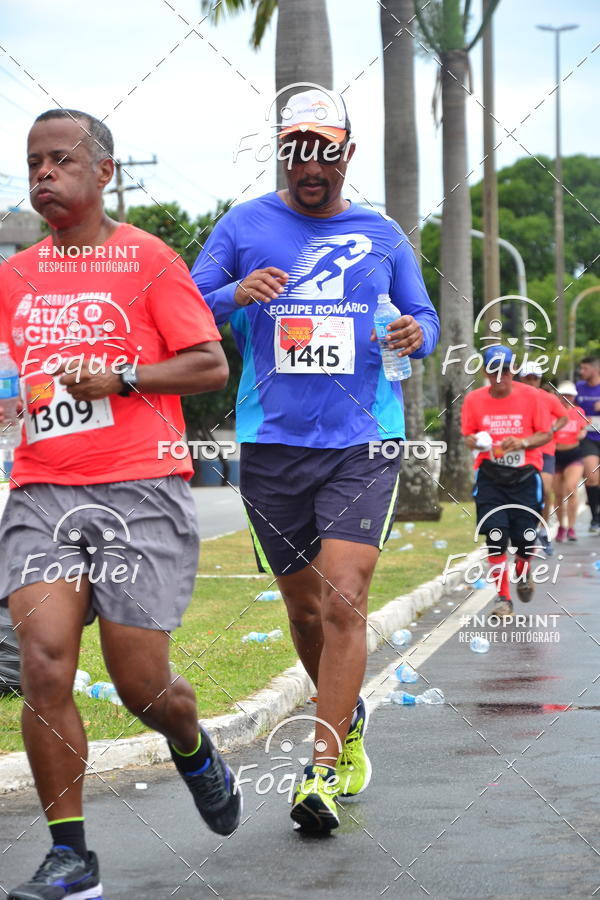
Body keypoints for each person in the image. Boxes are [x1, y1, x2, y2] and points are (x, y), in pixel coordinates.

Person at [0, 109, 240, 900]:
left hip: (140, 487)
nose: (43, 173)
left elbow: (208, 364)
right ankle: (72, 858)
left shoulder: (149, 261)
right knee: (44, 665)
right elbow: (11, 373)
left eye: (60, 159)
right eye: (33, 161)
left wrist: (124, 378)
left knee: (141, 686)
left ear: (104, 172)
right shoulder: (15, 276)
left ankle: (193, 745)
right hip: (42, 488)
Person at [191, 88, 440, 832]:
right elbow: (185, 306)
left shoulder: (383, 234)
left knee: (343, 597)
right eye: (299, 148)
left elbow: (422, 315)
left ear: (346, 156)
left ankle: (323, 771)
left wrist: (413, 337)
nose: (312, 164)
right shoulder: (243, 226)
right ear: (284, 153)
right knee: (303, 608)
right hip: (272, 445)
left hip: (364, 440)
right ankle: (350, 715)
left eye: (326, 150)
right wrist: (235, 291)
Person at [461, 346, 552, 620]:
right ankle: (503, 598)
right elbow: (467, 436)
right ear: (485, 372)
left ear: (513, 371)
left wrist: (522, 442)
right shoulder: (474, 400)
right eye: (494, 370)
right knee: (496, 535)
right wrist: (477, 441)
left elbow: (546, 434)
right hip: (490, 475)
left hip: (524, 476)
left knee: (525, 537)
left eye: (505, 370)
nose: (500, 376)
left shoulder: (532, 396)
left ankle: (523, 572)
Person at [518, 362, 567, 555]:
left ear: (539, 379)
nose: (531, 382)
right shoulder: (513, 397)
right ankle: (525, 531)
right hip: (521, 450)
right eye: (527, 378)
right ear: (521, 378)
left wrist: (552, 429)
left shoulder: (548, 398)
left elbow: (563, 417)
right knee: (522, 493)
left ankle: (543, 531)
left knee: (545, 490)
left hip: (545, 449)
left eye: (535, 378)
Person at [552, 382, 588, 542]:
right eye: (564, 395)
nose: (567, 399)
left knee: (571, 488)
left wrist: (581, 433)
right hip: (555, 455)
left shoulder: (578, 411)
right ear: (559, 396)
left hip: (573, 454)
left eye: (570, 396)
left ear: (574, 397)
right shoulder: (552, 413)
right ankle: (561, 527)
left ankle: (571, 527)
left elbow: (583, 429)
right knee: (558, 494)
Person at [575, 356, 600, 531]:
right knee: (591, 477)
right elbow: (571, 408)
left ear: (595, 369)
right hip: (588, 438)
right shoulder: (578, 388)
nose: (581, 372)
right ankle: (595, 518)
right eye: (580, 368)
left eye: (585, 369)